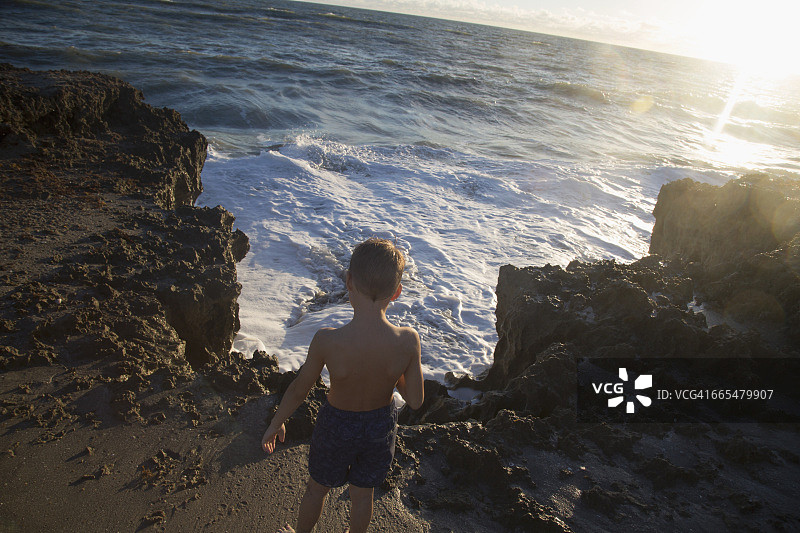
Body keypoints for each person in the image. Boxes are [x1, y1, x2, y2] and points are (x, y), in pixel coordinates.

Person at [262, 237, 424, 533]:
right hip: (379, 428)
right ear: (397, 292)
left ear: (349, 281)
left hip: (335, 426)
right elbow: (414, 400)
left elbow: (300, 388)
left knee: (316, 489)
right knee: (363, 495)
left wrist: (277, 423)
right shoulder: (408, 341)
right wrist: (395, 370)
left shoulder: (328, 340)